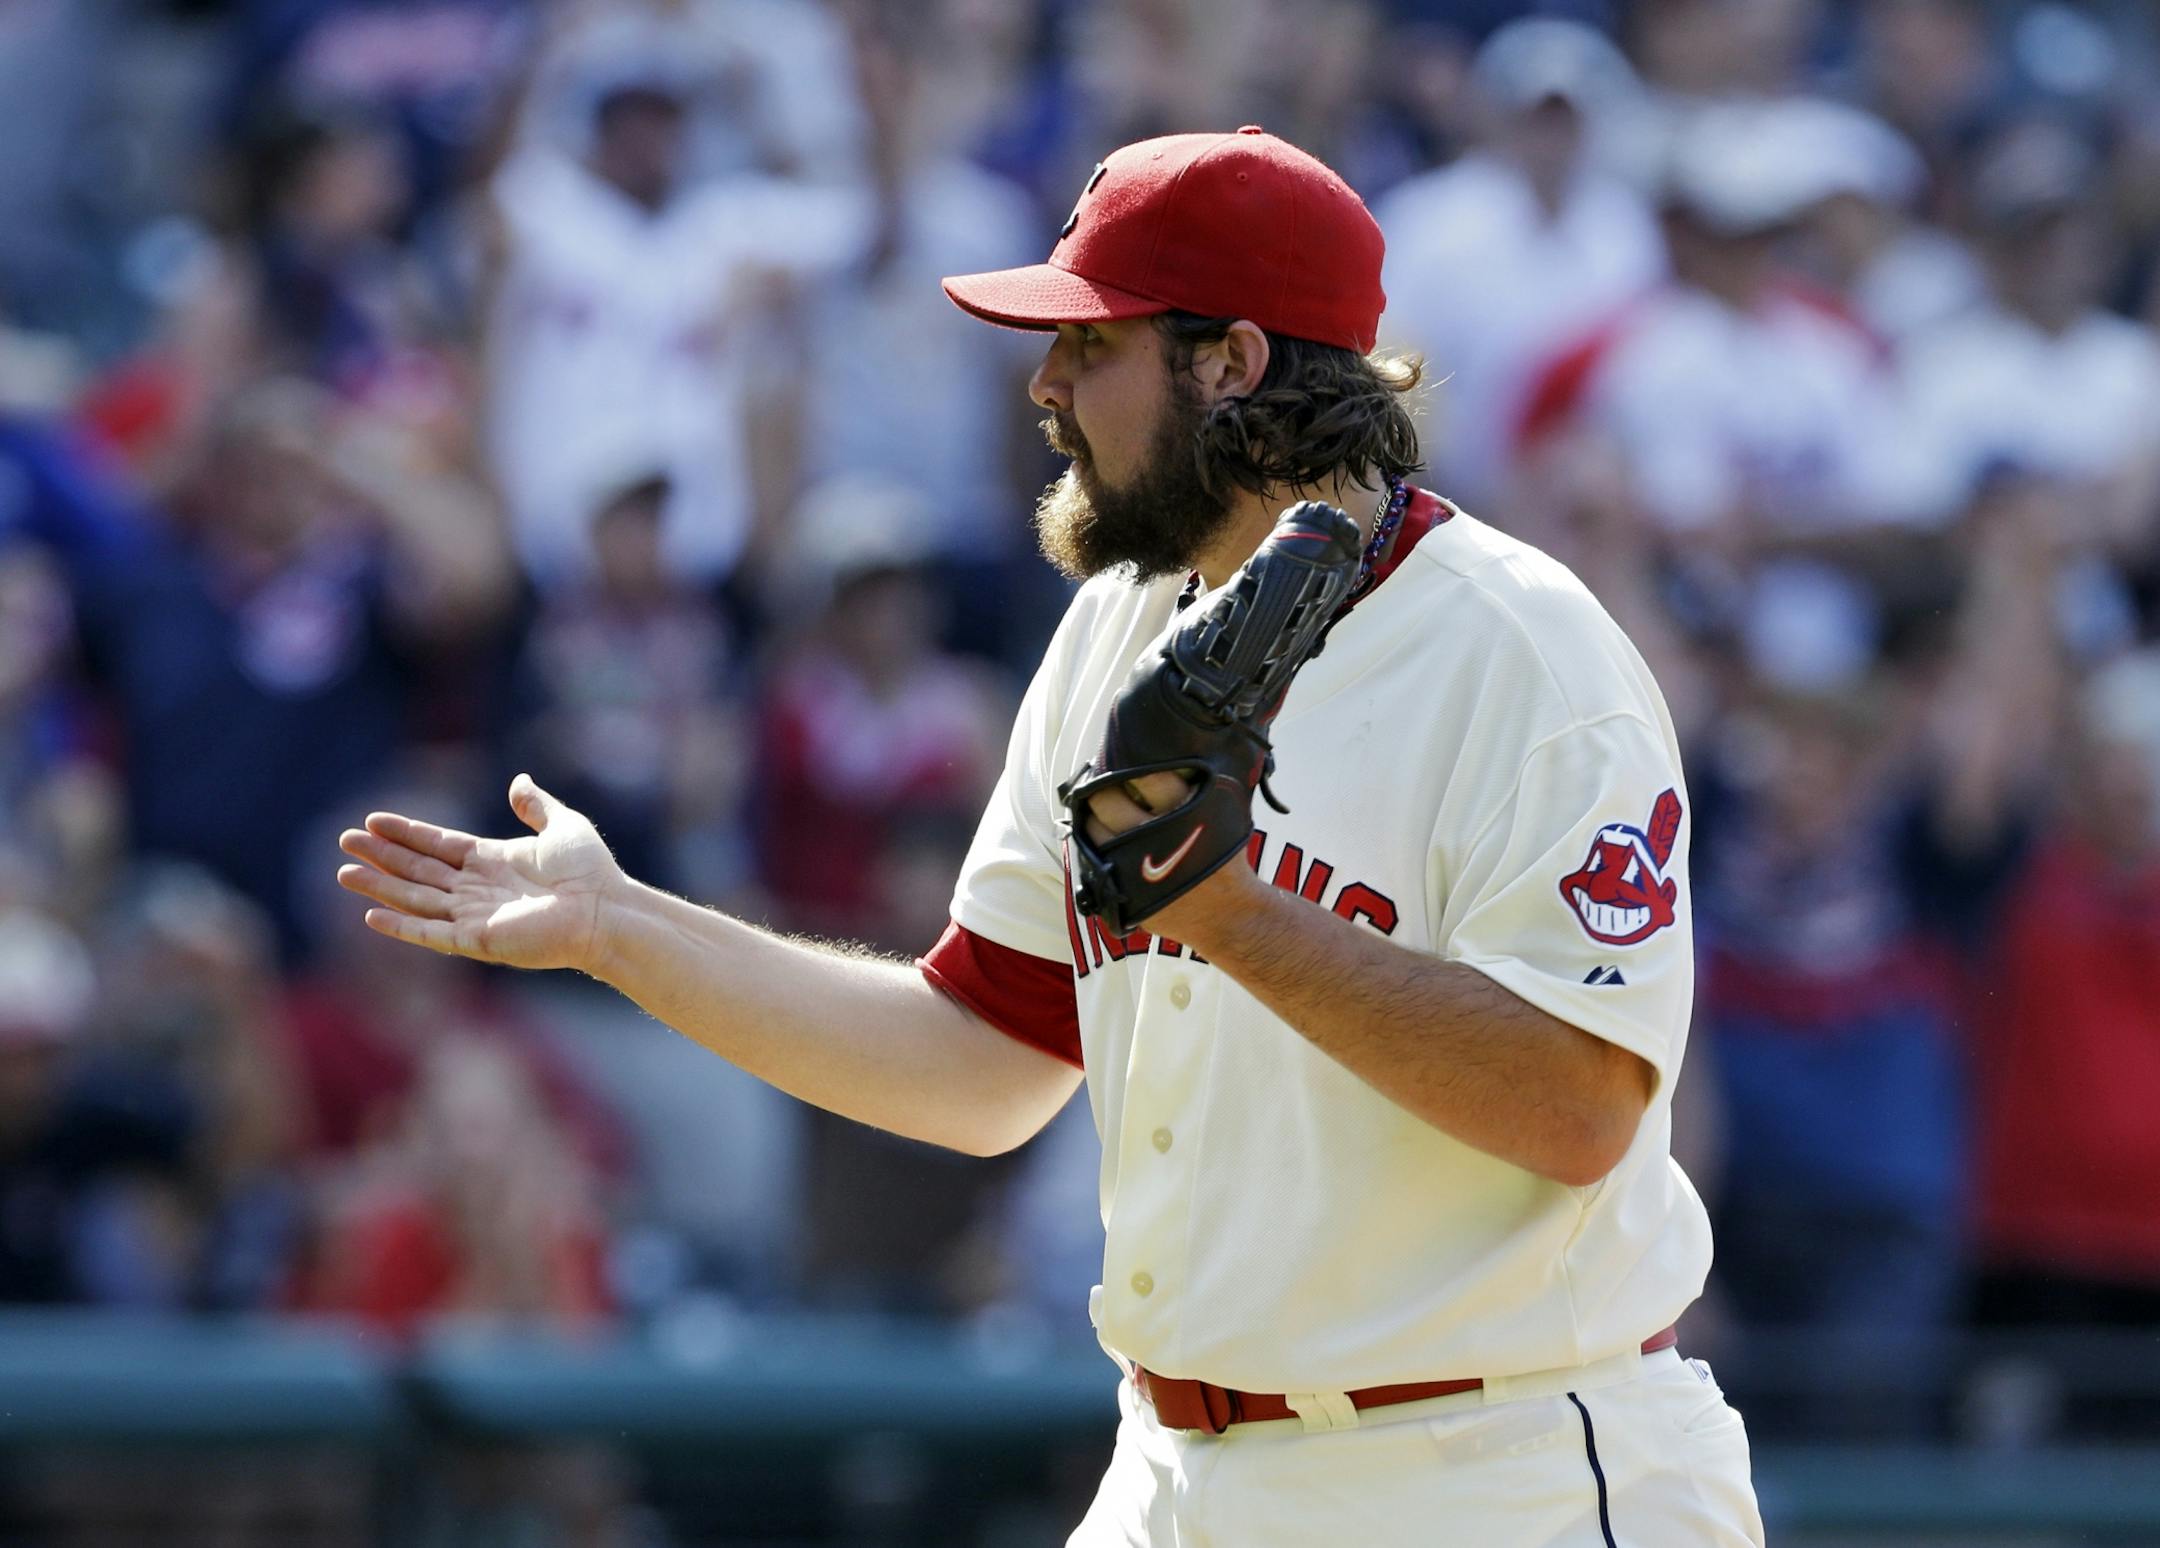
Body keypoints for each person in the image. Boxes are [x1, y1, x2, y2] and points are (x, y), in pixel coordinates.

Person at [338, 127, 1763, 1545]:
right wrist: (621, 926)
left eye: (1093, 347)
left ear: (1233, 364)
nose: (1045, 385)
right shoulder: (1120, 626)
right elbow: (980, 1061)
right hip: (1179, 1469)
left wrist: (1232, 915)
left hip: (1493, 1467)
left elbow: (1582, 1110)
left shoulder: (1523, 653)